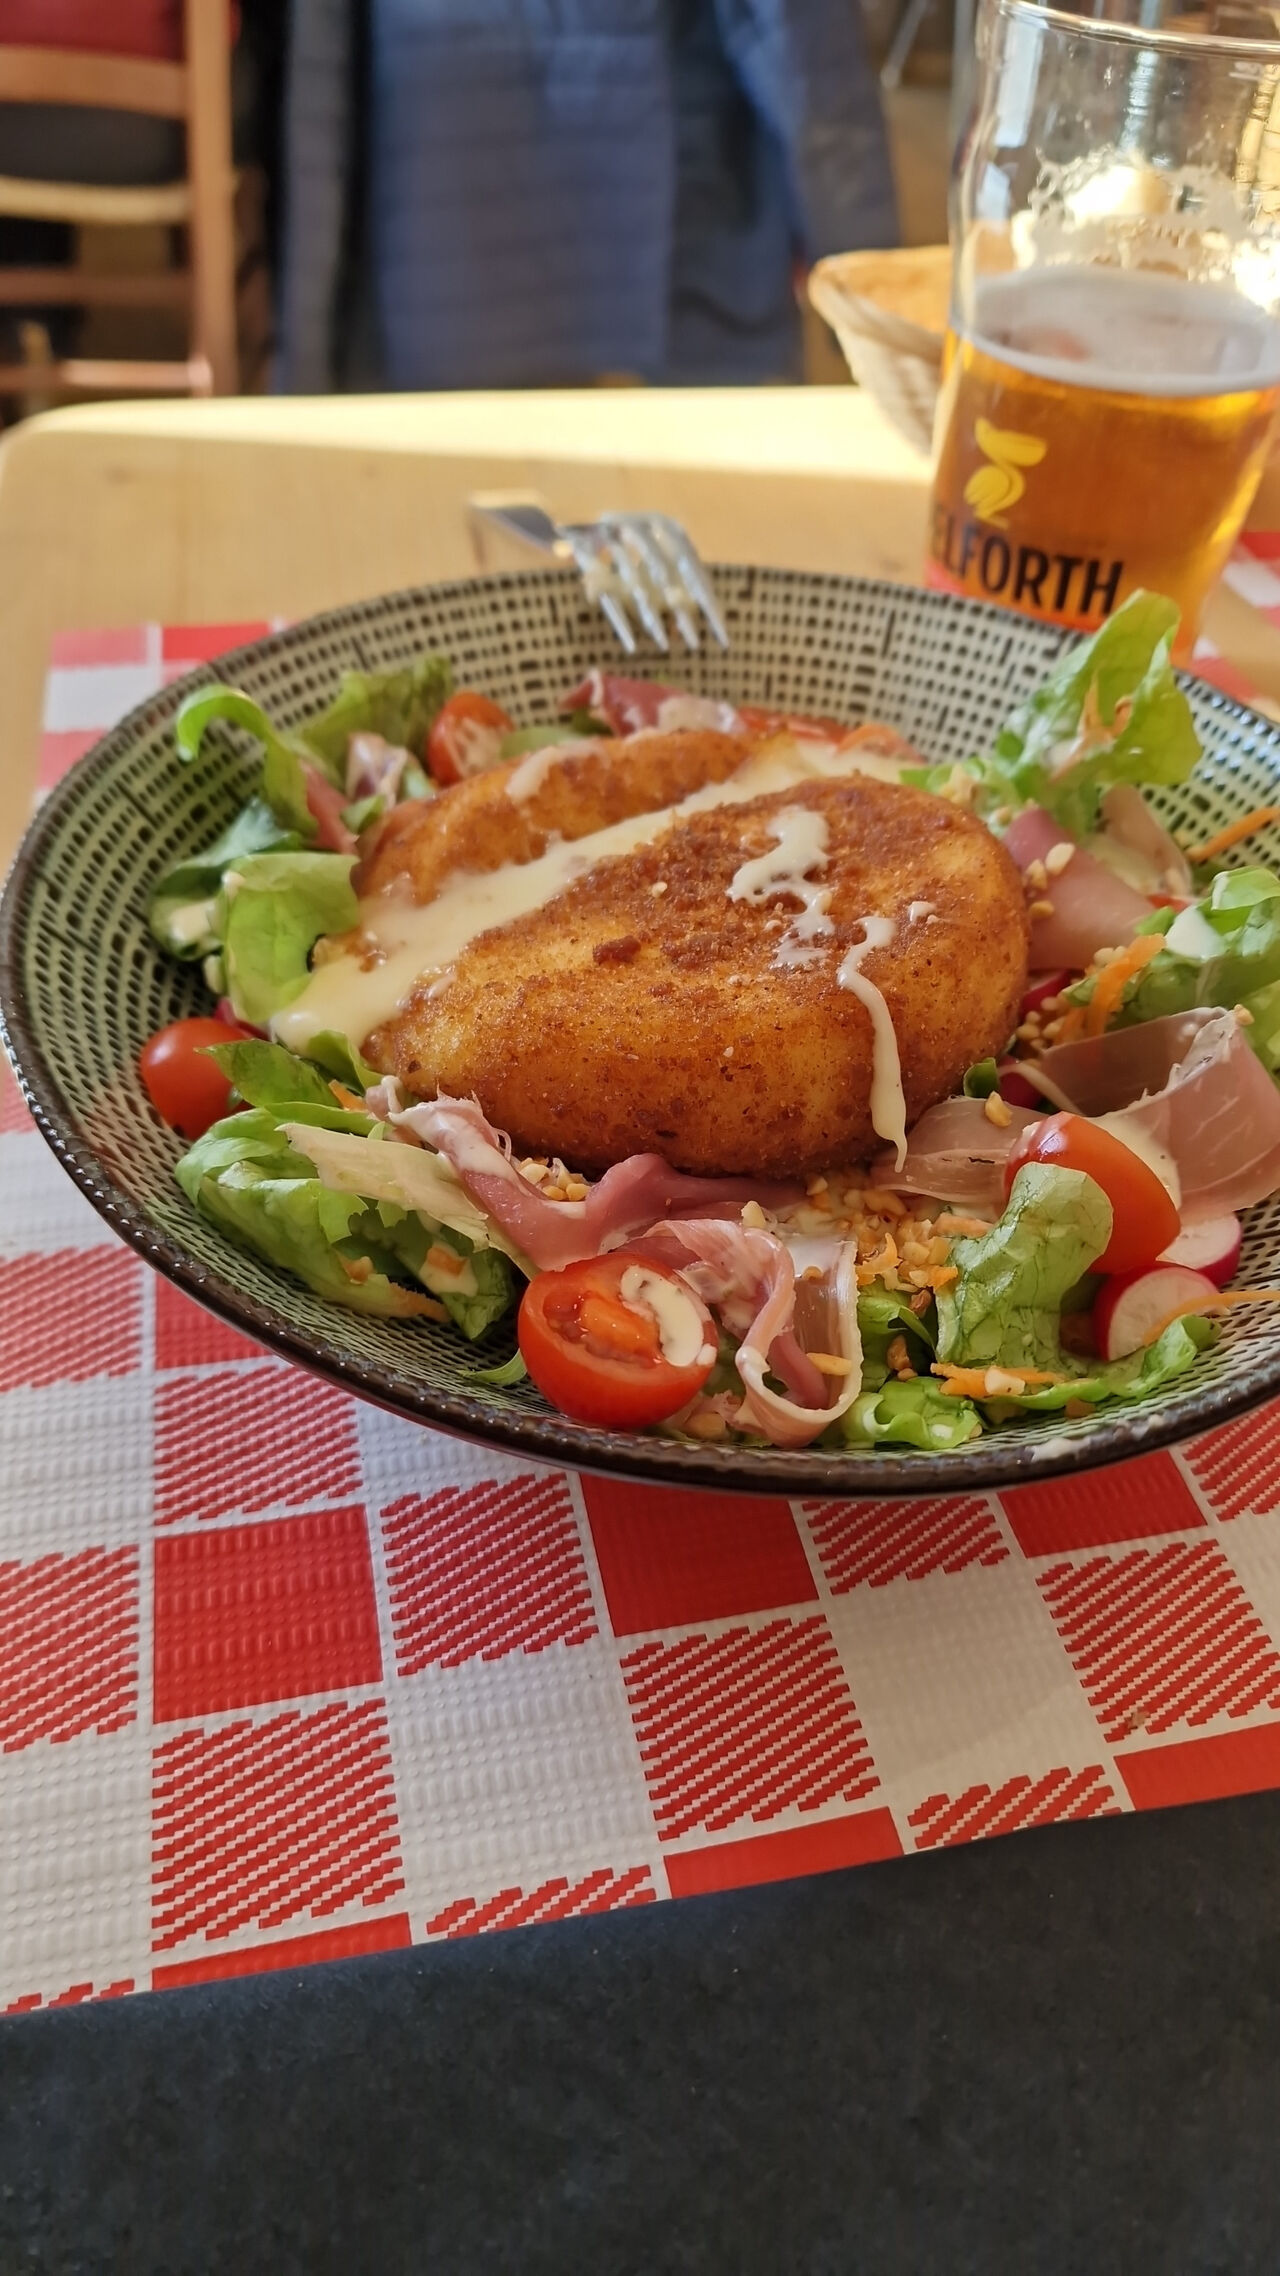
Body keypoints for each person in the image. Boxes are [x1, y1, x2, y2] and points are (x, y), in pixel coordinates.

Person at [279, 0, 898, 391]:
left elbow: (318, 94)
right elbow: (811, 64)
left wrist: (304, 356)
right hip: (686, 289)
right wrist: (882, 312)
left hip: (440, 291)